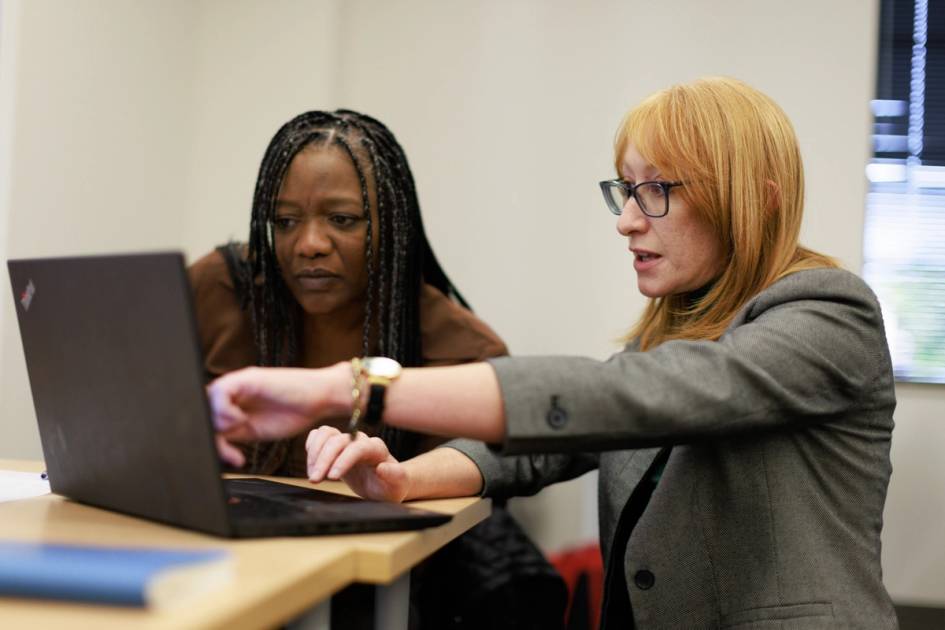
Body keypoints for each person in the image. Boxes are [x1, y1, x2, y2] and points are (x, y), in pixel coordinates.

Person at [207, 79, 898, 629]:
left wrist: (352, 388)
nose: (628, 218)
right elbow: (541, 449)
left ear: (755, 202)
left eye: (655, 191)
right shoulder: (671, 334)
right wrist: (404, 480)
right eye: (625, 190)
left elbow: (628, 398)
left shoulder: (828, 314)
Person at [189, 110, 565, 628]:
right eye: (284, 221)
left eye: (342, 220)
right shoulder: (222, 288)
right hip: (207, 569)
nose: (309, 244)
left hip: (365, 595)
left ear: (390, 226)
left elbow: (462, 504)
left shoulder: (461, 347)